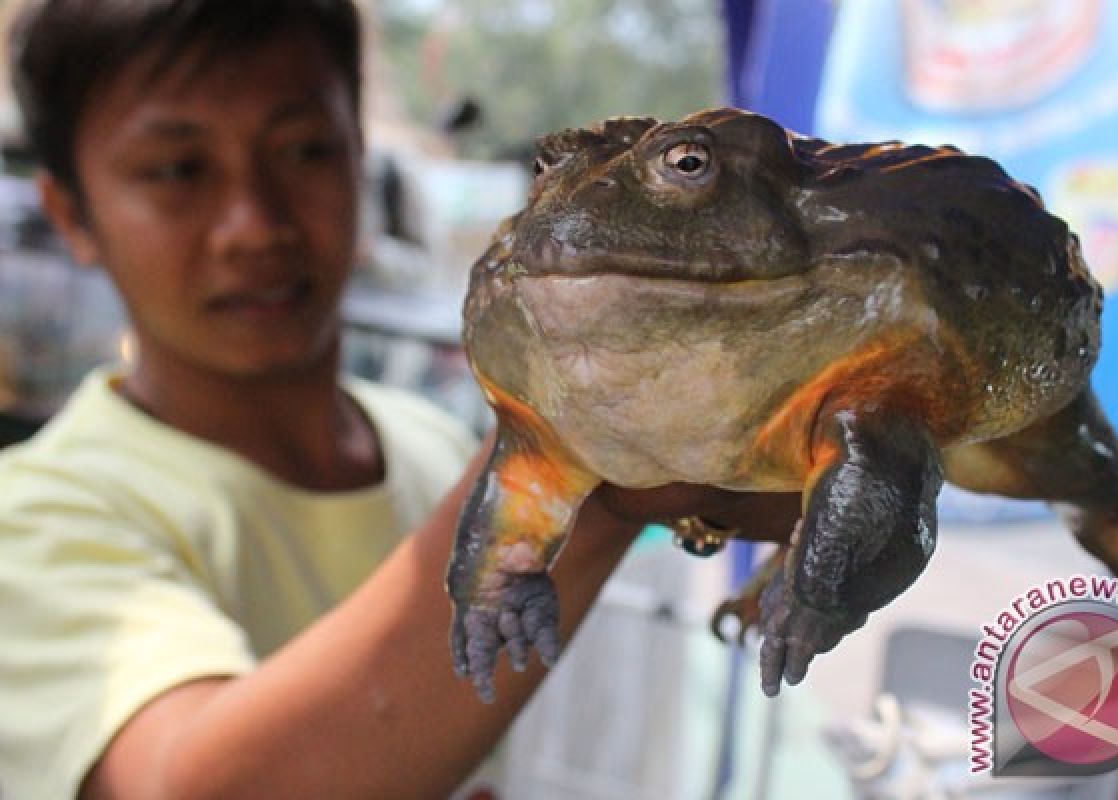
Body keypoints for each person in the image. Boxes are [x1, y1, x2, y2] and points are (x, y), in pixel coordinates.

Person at [0, 1, 801, 798]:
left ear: (360, 158)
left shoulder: (426, 444)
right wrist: (578, 475)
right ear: (72, 213)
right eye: (178, 170)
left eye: (305, 149)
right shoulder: (34, 521)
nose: (254, 225)